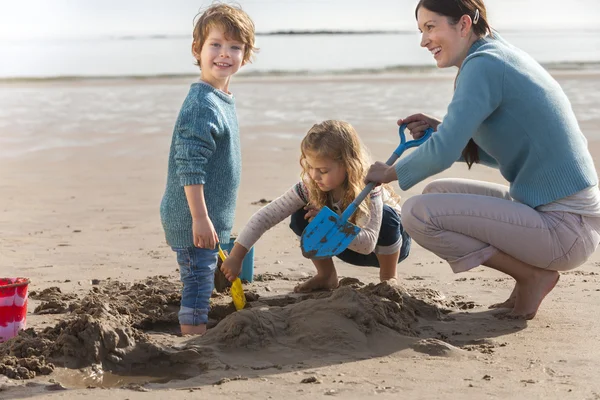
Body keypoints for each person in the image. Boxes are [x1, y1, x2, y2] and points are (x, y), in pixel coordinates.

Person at [365, 0, 600, 320]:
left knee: (416, 214)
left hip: (565, 228)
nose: (423, 41)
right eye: (421, 31)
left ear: (463, 25)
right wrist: (441, 130)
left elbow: (445, 151)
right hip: (559, 217)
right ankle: (529, 276)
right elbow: (505, 147)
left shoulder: (483, 65)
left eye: (431, 27)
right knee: (436, 192)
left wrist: (391, 172)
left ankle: (532, 276)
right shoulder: (496, 54)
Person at [220, 120, 411, 292]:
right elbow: (267, 216)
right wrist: (237, 256)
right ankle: (327, 275)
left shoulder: (368, 188)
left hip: (382, 248)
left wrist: (330, 224)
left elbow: (368, 244)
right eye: (310, 167)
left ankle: (388, 277)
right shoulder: (310, 187)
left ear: (348, 165)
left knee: (387, 216)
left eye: (323, 170)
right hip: (344, 247)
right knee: (301, 213)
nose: (314, 176)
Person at [159, 3, 257, 335]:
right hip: (192, 216)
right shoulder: (202, 104)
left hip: (206, 216)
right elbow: (190, 166)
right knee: (198, 280)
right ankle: (192, 339)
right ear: (197, 49)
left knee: (202, 271)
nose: (224, 54)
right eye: (215, 44)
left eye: (235, 47)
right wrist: (200, 218)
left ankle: (196, 327)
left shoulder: (219, 98)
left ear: (246, 55)